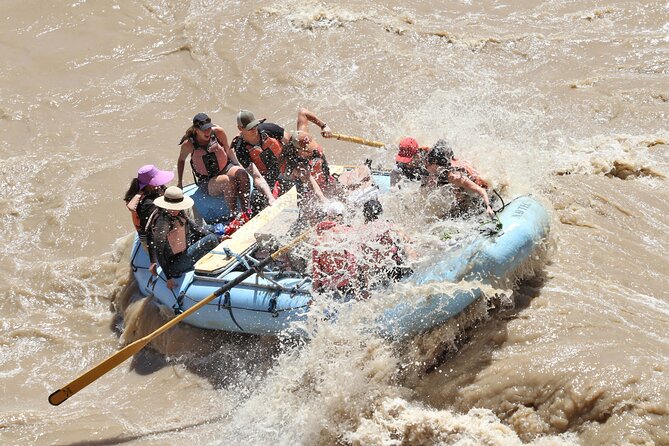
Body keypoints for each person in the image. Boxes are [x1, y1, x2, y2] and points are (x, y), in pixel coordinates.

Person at [147, 186, 222, 289]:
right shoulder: (163, 222)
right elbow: (159, 250)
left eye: (177, 207)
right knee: (211, 239)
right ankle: (219, 263)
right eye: (172, 207)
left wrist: (220, 237)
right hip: (175, 265)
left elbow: (195, 228)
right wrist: (168, 278)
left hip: (183, 252)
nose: (174, 210)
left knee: (210, 230)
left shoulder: (180, 213)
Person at [177, 113, 251, 217]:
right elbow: (181, 160)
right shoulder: (188, 144)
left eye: (209, 128)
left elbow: (227, 149)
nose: (208, 131)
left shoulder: (218, 132)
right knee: (226, 181)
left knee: (242, 174)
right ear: (196, 130)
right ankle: (235, 215)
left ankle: (246, 210)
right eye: (204, 129)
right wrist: (180, 182)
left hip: (225, 168)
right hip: (207, 180)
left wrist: (237, 165)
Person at [424, 139, 495, 218]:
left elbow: (481, 190)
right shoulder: (447, 162)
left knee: (445, 217)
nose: (426, 164)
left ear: (437, 164)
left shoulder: (454, 177)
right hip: (468, 188)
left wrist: (488, 207)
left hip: (482, 196)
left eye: (430, 162)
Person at [123, 164, 174, 250]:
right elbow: (131, 207)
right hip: (146, 235)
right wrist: (140, 193)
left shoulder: (157, 188)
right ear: (150, 184)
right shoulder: (140, 200)